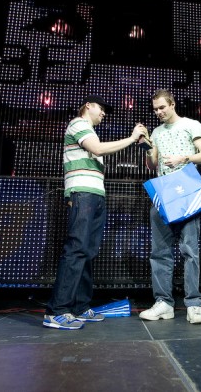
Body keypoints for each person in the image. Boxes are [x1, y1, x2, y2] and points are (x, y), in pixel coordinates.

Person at [44, 95, 147, 330]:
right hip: (83, 193)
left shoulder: (90, 130)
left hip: (95, 194)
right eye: (101, 108)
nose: (103, 113)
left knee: (88, 251)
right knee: (77, 249)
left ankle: (80, 307)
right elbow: (98, 148)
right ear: (88, 106)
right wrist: (132, 138)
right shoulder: (78, 123)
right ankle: (56, 311)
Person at [139, 89, 201, 324]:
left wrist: (184, 158)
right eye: (155, 109)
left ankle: (194, 304)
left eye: (162, 107)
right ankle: (164, 303)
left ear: (172, 104)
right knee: (160, 252)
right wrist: (146, 147)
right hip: (164, 193)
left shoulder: (191, 125)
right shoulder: (157, 132)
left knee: (190, 251)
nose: (158, 112)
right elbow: (152, 165)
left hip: (187, 191)